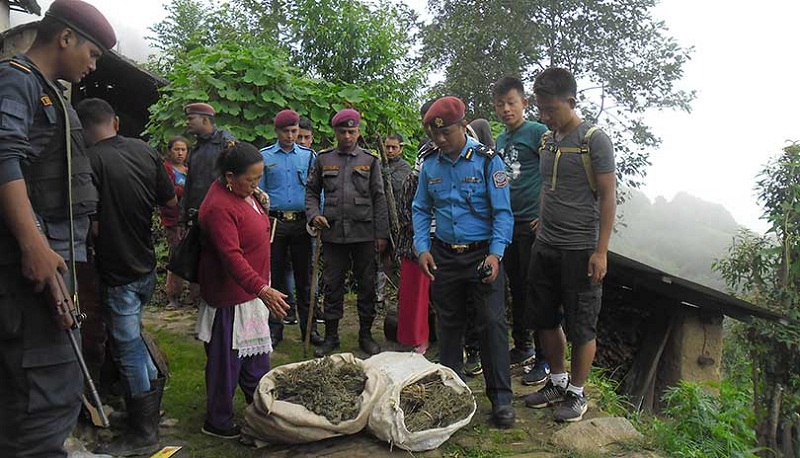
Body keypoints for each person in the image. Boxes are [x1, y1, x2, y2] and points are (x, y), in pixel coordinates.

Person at [0, 1, 115, 456]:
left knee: (58, 381)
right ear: (65, 38)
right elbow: (3, 156)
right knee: (41, 399)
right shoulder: (15, 80)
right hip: (28, 264)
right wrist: (33, 246)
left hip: (55, 258)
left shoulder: (49, 90)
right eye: (92, 53)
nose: (91, 65)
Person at [76, 98, 177, 455]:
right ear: (115, 121)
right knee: (134, 339)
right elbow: (169, 201)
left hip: (118, 271)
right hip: (146, 264)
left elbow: (95, 226)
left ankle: (144, 432)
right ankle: (148, 411)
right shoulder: (145, 151)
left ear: (83, 130)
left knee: (128, 348)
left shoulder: (91, 162)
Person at [412, 96, 515, 429]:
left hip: (482, 255)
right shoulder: (430, 163)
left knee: (492, 326)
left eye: (446, 133)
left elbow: (503, 213)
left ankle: (501, 400)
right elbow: (420, 208)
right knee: (449, 325)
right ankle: (452, 394)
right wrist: (422, 247)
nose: (440, 140)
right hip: (443, 255)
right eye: (434, 135)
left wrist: (496, 254)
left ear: (462, 126)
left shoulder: (488, 162)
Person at [523, 68, 616, 422]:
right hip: (545, 244)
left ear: (571, 102)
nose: (545, 117)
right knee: (544, 317)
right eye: (541, 110)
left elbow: (608, 197)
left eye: (551, 110)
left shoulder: (594, 140)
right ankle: (557, 381)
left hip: (580, 248)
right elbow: (548, 185)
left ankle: (577, 393)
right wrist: (541, 218)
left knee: (581, 326)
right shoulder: (548, 140)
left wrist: (601, 250)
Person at [196, 141, 290, 439]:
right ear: (229, 177)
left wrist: (257, 198)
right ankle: (218, 422)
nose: (255, 184)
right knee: (226, 364)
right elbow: (232, 258)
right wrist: (263, 289)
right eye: (251, 179)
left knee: (256, 359)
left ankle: (260, 407)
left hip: (251, 293)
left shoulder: (243, 193)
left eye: (259, 178)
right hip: (231, 298)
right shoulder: (218, 207)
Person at [305, 108, 389, 357]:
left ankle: (365, 335)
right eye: (342, 131)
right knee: (332, 286)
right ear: (335, 132)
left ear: (358, 132)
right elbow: (310, 192)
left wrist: (381, 235)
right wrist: (313, 215)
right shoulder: (323, 159)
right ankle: (331, 336)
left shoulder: (369, 161)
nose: (347, 136)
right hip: (332, 234)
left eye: (352, 131)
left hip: (364, 233)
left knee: (366, 285)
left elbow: (379, 198)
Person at [492, 76, 551, 383]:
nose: (506, 109)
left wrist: (546, 215)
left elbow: (553, 173)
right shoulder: (500, 140)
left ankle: (544, 359)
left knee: (535, 290)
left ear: (525, 103)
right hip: (507, 225)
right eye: (500, 104)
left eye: (511, 103)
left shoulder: (538, 132)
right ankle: (523, 347)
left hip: (531, 224)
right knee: (514, 288)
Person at [259, 109, 321, 347]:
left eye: (294, 131)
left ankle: (310, 328)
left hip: (301, 223)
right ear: (277, 131)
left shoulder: (308, 156)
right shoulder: (265, 157)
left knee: (305, 278)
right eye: (286, 131)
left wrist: (318, 216)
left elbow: (316, 190)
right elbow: (260, 193)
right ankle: (275, 329)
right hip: (274, 223)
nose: (291, 135)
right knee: (275, 278)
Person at [179, 102, 235, 228]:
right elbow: (189, 185)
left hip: (220, 215)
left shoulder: (225, 143)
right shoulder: (195, 149)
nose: (187, 122)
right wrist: (182, 218)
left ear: (205, 120)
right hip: (197, 217)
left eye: (191, 118)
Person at [375, 134, 411, 305]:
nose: (389, 151)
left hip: (398, 219)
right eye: (387, 147)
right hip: (380, 218)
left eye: (393, 147)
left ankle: (401, 292)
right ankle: (378, 295)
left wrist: (383, 175)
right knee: (380, 258)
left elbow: (395, 184)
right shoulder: (377, 165)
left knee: (399, 257)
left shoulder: (405, 167)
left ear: (400, 148)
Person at [160, 136, 190, 308]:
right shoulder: (166, 169)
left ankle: (194, 295)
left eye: (183, 149)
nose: (180, 153)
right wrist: (185, 190)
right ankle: (173, 295)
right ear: (169, 151)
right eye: (176, 149)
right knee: (176, 256)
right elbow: (168, 191)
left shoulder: (188, 170)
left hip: (189, 219)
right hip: (173, 219)